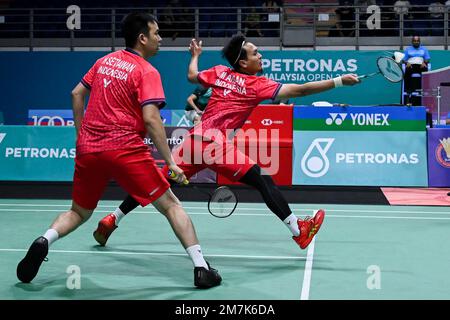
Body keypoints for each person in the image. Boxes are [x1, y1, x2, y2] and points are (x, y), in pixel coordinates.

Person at [93, 34, 360, 252]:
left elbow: (191, 76)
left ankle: (112, 219)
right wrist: (338, 81)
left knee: (158, 184)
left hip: (193, 141)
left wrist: (195, 56)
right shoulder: (257, 85)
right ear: (243, 63)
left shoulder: (220, 72)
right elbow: (299, 91)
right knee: (262, 180)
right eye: (255, 53)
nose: (260, 56)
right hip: (214, 143)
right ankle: (298, 230)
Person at [16, 12, 221, 289]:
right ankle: (201, 268)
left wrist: (81, 135)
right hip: (125, 148)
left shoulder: (104, 61)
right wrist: (171, 161)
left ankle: (45, 239)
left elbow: (76, 93)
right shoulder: (147, 71)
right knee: (171, 205)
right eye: (157, 33)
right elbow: (150, 120)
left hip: (90, 149)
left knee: (78, 212)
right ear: (142, 38)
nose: (160, 39)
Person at [402, 35, 431, 106]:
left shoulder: (424, 49)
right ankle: (408, 90)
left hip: (421, 65)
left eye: (417, 41)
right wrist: (407, 62)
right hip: (411, 65)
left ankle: (425, 88)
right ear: (412, 42)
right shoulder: (408, 49)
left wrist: (425, 62)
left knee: (425, 71)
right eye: (414, 41)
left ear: (419, 41)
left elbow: (427, 58)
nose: (416, 42)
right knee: (407, 72)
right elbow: (403, 60)